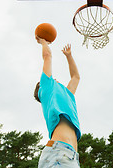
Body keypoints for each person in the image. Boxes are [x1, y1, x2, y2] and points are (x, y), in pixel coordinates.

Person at [34, 36, 81, 167]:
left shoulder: (67, 95)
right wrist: (43, 42)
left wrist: (69, 56)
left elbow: (76, 77)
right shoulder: (47, 88)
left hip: (72, 157)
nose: (55, 80)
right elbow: (47, 56)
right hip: (58, 153)